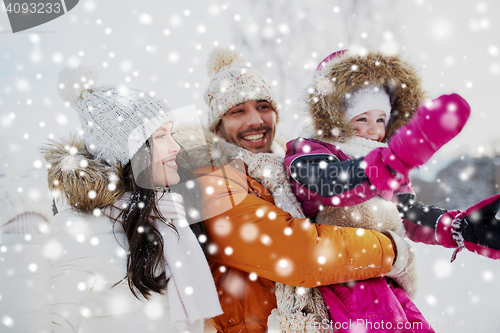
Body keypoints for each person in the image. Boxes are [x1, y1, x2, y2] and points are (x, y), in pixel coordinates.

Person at [176, 46, 413, 332]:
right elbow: (301, 254)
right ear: (218, 128)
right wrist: (392, 250)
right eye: (238, 111)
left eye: (263, 107)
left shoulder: (290, 172)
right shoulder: (211, 181)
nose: (256, 120)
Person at [283, 49, 500, 331]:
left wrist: (456, 227)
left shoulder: (384, 159)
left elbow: (407, 214)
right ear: (335, 117)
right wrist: (392, 162)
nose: (373, 130)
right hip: (338, 277)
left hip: (383, 273)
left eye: (381, 120)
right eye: (362, 119)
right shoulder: (311, 149)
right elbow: (330, 183)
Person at [0, 65, 222, 333]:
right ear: (130, 152)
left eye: (171, 133)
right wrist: (21, 241)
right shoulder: (79, 230)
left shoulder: (171, 214)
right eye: (161, 136)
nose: (175, 146)